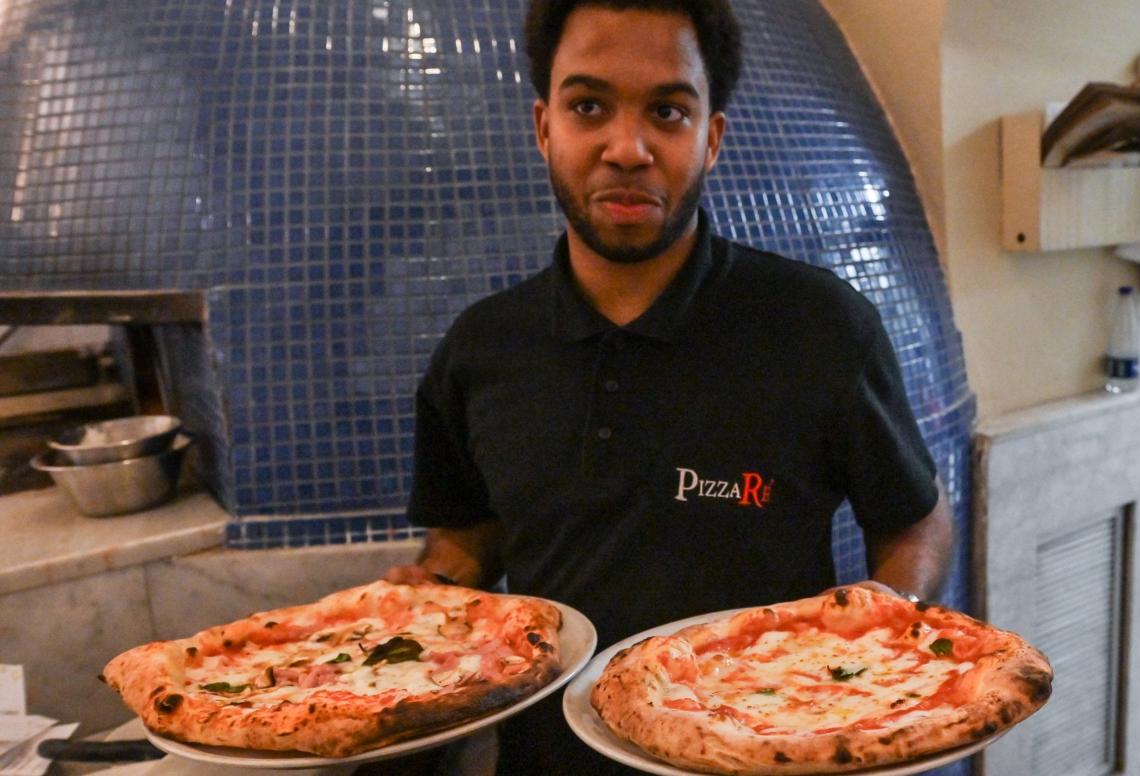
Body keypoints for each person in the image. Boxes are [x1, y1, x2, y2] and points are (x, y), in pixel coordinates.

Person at [385, 0, 954, 772]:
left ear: (710, 138)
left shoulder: (819, 327)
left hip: (770, 750)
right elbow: (467, 535)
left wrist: (890, 631)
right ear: (544, 126)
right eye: (589, 107)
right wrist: (434, 591)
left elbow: (915, 525)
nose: (627, 148)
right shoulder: (479, 348)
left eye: (667, 111)